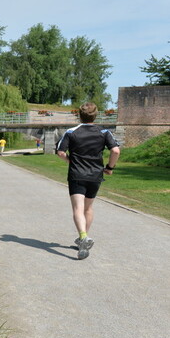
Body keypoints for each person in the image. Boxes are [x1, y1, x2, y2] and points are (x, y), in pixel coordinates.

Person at [56, 102, 120, 260]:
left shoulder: (71, 132)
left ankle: (83, 237)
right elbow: (115, 150)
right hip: (95, 175)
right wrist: (110, 167)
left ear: (79, 115)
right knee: (88, 208)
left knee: (78, 208)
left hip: (77, 175)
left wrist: (71, 161)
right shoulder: (104, 132)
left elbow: (60, 152)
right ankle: (83, 239)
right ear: (96, 115)